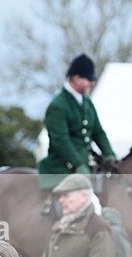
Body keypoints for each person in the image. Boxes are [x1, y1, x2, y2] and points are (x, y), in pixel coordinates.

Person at [38, 53, 117, 214]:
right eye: (88, 79)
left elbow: (98, 133)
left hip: (86, 163)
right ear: (75, 78)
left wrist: (110, 155)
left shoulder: (87, 102)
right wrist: (78, 165)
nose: (91, 82)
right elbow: (61, 141)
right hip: (63, 165)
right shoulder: (58, 105)